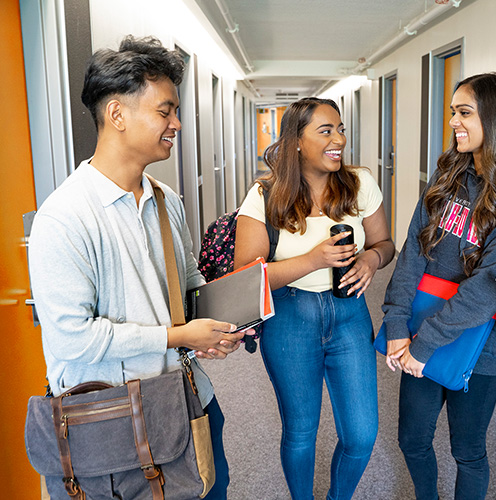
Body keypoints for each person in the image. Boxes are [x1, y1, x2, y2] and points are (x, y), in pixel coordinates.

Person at [28, 35, 244, 498]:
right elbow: (72, 336)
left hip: (185, 403)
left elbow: (186, 282)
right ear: (117, 115)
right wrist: (178, 336)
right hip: (107, 423)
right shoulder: (64, 217)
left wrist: (218, 322)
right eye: (165, 111)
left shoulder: (167, 201)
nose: (177, 124)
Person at [381, 72, 496, 500]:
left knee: (467, 452)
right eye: (453, 111)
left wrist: (423, 345)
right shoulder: (449, 174)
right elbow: (415, 249)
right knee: (412, 440)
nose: (453, 120)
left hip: (481, 346)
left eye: (464, 112)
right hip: (421, 329)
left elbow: (489, 285)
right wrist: (397, 322)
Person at [234, 97, 395, 500]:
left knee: (361, 434)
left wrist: (372, 260)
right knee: (301, 431)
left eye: (340, 129)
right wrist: (312, 260)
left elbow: (385, 243)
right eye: (325, 131)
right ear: (296, 142)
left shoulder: (360, 183)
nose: (338, 138)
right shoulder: (265, 195)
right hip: (291, 317)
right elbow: (245, 279)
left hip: (349, 314)